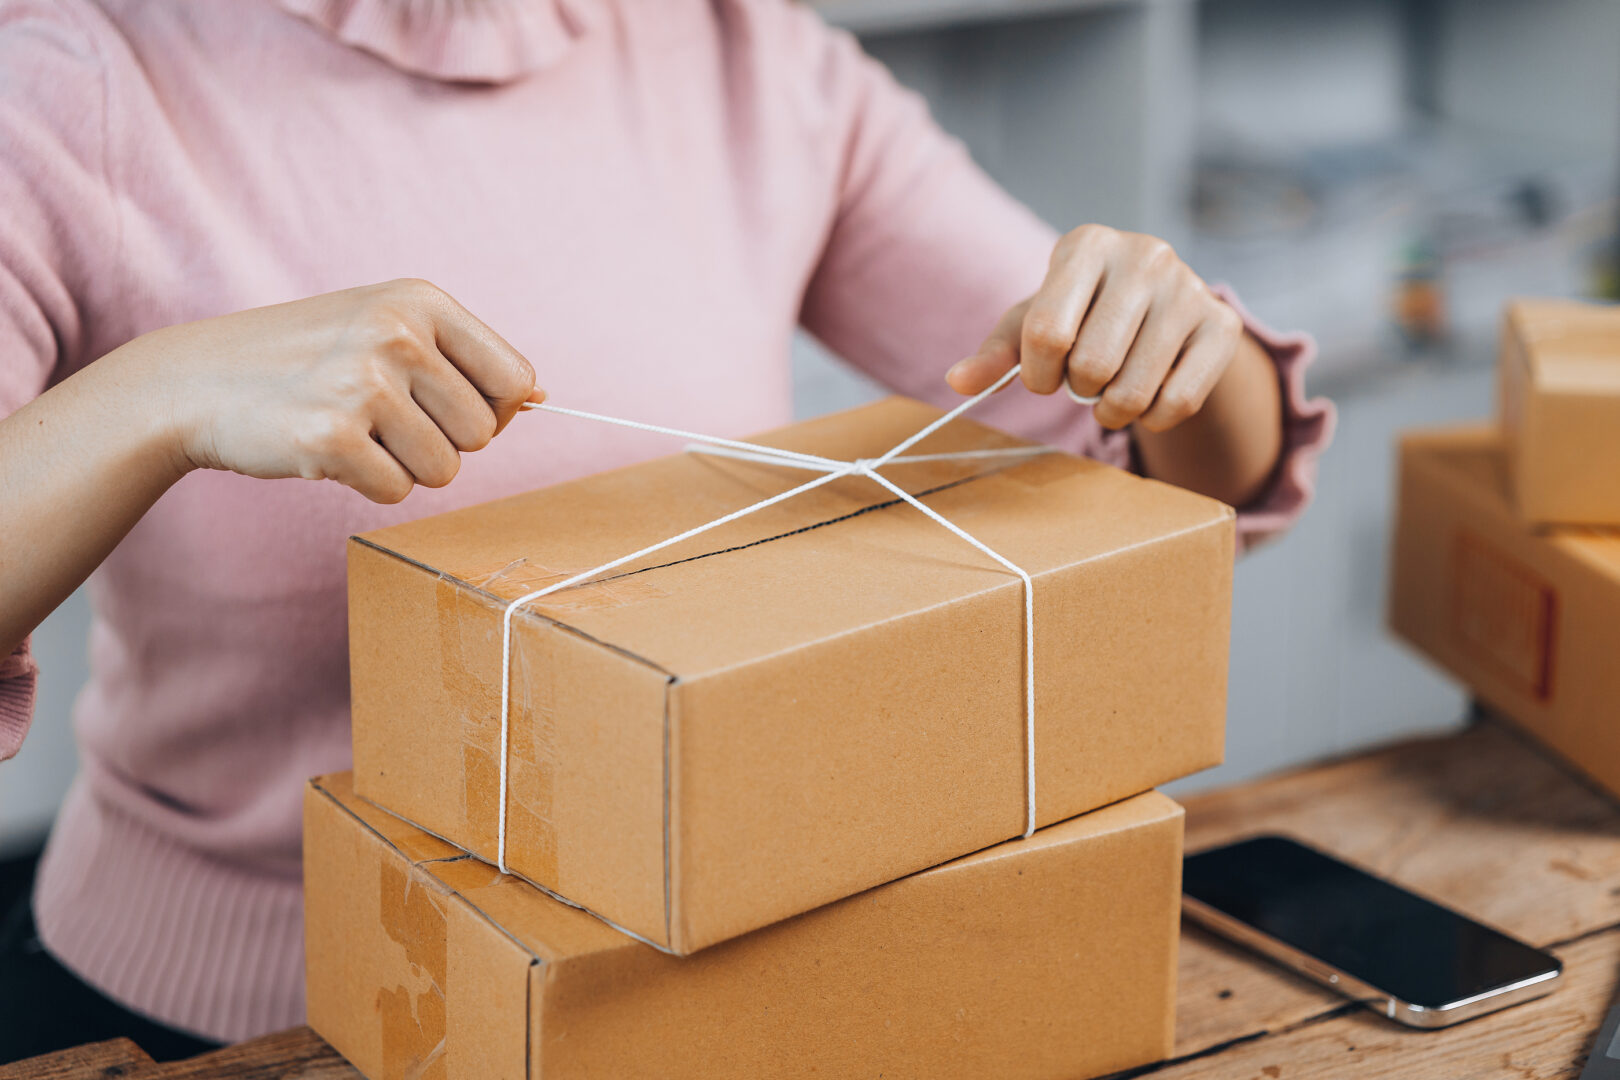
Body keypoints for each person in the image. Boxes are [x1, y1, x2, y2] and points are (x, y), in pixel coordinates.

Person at [0, 0, 1333, 1060]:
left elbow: (1162, 487)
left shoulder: (742, 53)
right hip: (220, 1022)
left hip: (684, 995)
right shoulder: (74, 78)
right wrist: (154, 395)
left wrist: (1185, 355)